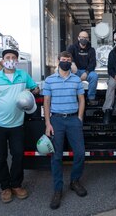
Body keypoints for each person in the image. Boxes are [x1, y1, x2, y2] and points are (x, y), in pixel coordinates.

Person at [0, 49, 39, 203]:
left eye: (13, 57)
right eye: (7, 57)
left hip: (17, 125)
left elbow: (35, 88)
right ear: (2, 60)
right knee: (0, 157)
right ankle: (5, 187)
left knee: (18, 155)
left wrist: (32, 91)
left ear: (17, 60)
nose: (10, 60)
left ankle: (16, 185)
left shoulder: (23, 76)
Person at [43, 51, 87, 210]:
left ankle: (75, 181)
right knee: (56, 156)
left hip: (73, 119)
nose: (66, 62)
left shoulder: (76, 80)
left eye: (68, 60)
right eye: (63, 60)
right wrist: (48, 123)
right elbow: (46, 102)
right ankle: (57, 189)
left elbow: (81, 100)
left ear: (71, 62)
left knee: (80, 153)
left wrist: (80, 118)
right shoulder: (49, 80)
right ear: (58, 61)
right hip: (56, 120)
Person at [67, 30, 99, 105]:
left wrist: (86, 72)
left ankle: (91, 98)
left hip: (86, 71)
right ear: (78, 38)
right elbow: (68, 56)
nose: (84, 39)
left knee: (94, 76)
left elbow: (92, 63)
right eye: (82, 37)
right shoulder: (72, 47)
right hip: (75, 71)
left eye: (86, 38)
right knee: (68, 75)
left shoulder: (91, 50)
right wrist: (72, 63)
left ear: (88, 39)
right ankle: (72, 97)